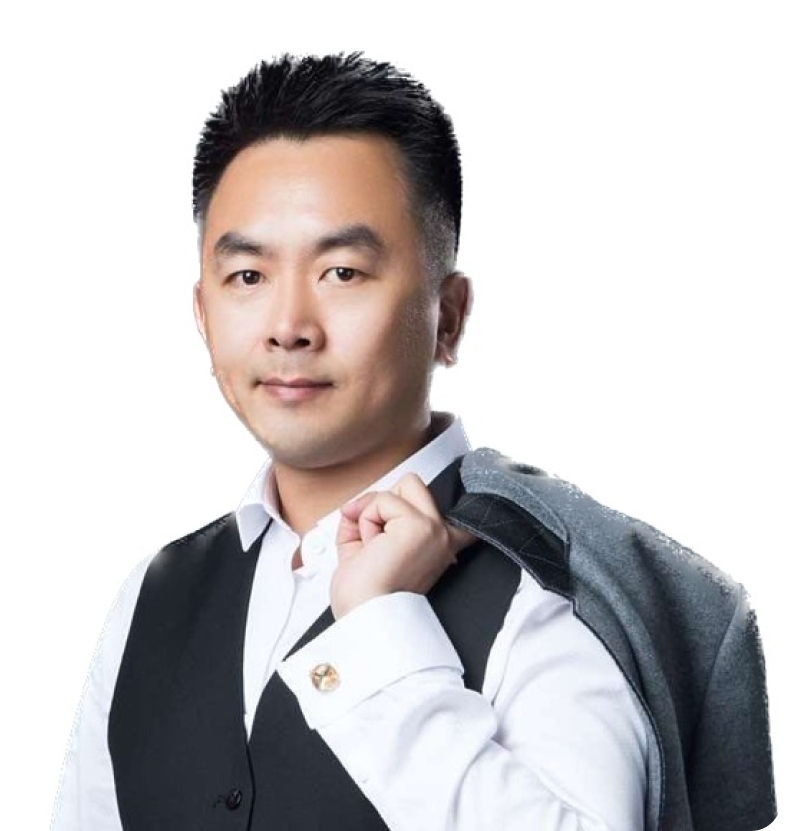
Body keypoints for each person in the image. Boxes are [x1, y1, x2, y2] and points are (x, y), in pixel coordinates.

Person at [51, 52, 776, 831]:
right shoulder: (151, 596)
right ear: (202, 313)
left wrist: (377, 631)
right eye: (248, 277)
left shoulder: (551, 592)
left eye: (342, 272)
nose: (288, 326)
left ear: (448, 316)